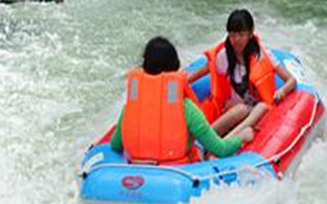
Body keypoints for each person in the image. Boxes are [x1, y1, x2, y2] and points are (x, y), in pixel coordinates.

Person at [109, 37, 252, 164]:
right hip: (179, 175)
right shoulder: (186, 109)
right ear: (174, 69)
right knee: (204, 143)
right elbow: (220, 149)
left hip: (137, 172)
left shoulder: (130, 107)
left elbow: (116, 145)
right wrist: (242, 138)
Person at [204, 9, 297, 138]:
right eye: (232, 35)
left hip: (257, 112)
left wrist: (282, 91)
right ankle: (203, 141)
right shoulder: (225, 56)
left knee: (261, 107)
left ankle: (225, 142)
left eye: (241, 35)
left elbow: (291, 80)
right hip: (235, 110)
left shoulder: (262, 56)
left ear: (250, 33)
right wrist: (183, 80)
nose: (236, 40)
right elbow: (209, 68)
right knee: (240, 109)